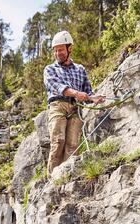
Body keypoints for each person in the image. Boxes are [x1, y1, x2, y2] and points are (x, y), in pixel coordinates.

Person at [43, 31, 106, 177]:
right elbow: (56, 87)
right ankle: (51, 180)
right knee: (58, 142)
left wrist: (94, 98)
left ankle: (65, 177)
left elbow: (87, 91)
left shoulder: (80, 69)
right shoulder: (50, 69)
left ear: (69, 49)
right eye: (56, 50)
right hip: (57, 105)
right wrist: (77, 94)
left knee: (72, 145)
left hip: (75, 108)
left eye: (61, 50)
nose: (58, 53)